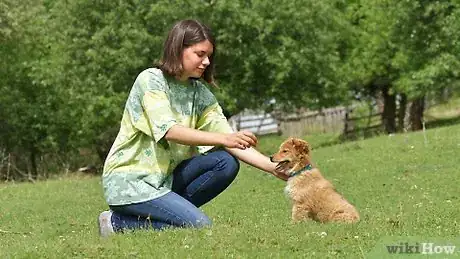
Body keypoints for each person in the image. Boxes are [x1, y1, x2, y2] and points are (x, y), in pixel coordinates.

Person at [98, 19, 287, 237]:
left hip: (164, 181)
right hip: (132, 182)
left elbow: (230, 139)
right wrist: (223, 140)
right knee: (198, 226)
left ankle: (168, 214)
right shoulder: (151, 80)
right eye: (200, 54)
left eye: (209, 56)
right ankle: (116, 223)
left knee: (225, 162)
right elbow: (170, 131)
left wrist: (272, 167)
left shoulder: (200, 93)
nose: (206, 62)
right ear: (178, 49)